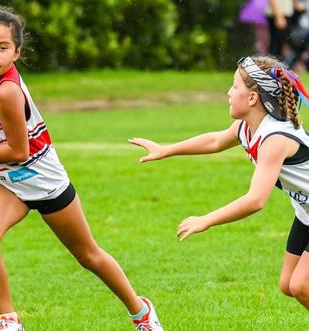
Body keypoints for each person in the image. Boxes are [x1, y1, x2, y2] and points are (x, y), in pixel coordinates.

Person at [0, 5, 166, 331]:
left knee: (88, 256)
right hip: (7, 183)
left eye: (3, 48)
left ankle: (141, 312)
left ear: (17, 52)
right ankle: (9, 320)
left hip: (43, 180)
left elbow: (18, 152)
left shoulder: (9, 92)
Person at [129, 55, 309, 310]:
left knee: (301, 285)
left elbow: (255, 200)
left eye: (234, 86)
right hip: (305, 213)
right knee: (288, 284)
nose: (228, 92)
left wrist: (206, 220)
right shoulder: (248, 127)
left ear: (252, 98)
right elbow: (215, 141)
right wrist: (166, 149)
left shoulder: (275, 139)